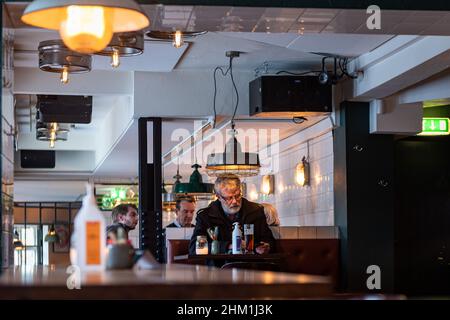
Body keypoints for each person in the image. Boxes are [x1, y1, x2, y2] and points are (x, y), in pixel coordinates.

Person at [189, 173, 275, 256]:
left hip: (250, 265)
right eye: (229, 198)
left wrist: (265, 247)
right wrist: (228, 246)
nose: (234, 201)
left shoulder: (255, 211)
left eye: (237, 196)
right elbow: (194, 248)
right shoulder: (205, 216)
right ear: (218, 197)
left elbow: (269, 241)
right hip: (218, 268)